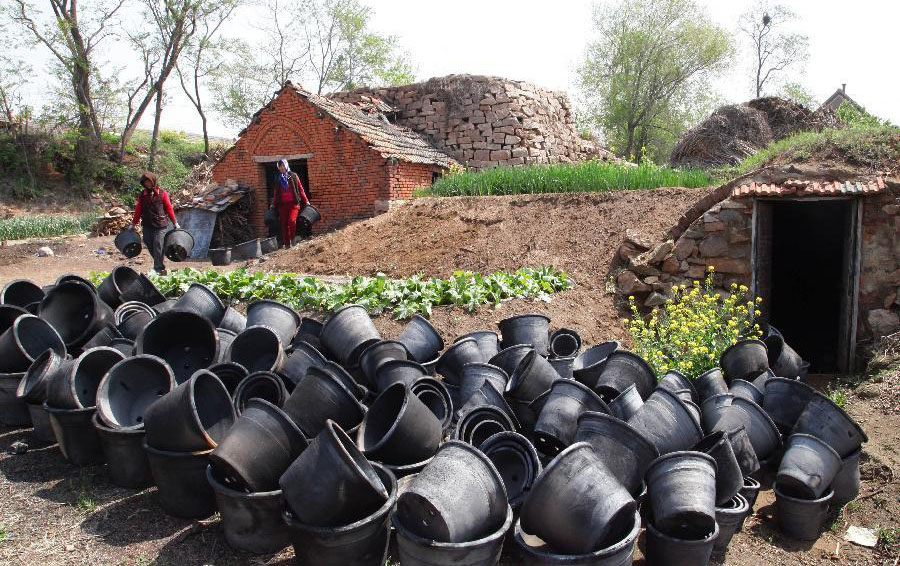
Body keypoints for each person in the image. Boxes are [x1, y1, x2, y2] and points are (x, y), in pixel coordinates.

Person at [129, 171, 179, 274]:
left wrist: (175, 222)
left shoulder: (162, 193)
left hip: (160, 225)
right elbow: (138, 210)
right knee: (148, 243)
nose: (148, 184)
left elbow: (169, 208)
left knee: (157, 245)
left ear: (153, 181)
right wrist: (133, 224)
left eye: (149, 182)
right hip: (147, 225)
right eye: (145, 182)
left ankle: (159, 268)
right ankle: (159, 261)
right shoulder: (142, 195)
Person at [272, 158, 310, 248]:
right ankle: (287, 244)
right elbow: (275, 192)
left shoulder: (293, 176)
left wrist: (306, 200)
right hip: (283, 205)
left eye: (283, 165)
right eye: (280, 166)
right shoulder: (278, 178)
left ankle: (292, 239)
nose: (281, 168)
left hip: (293, 204)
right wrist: (273, 203)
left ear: (286, 165)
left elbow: (300, 189)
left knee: (292, 221)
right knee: (284, 224)